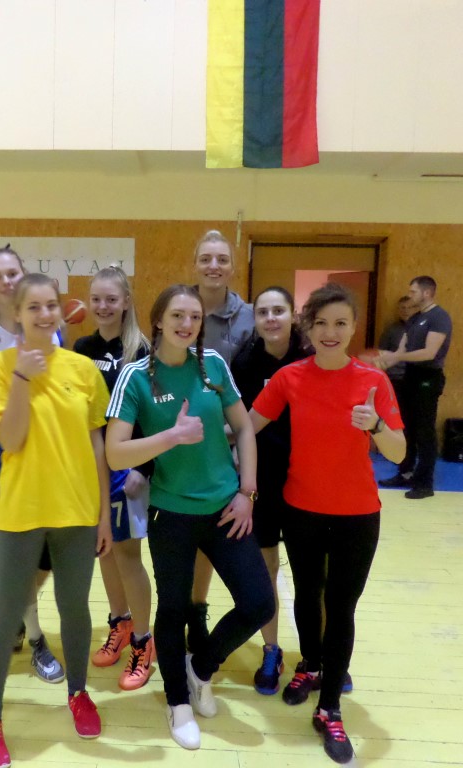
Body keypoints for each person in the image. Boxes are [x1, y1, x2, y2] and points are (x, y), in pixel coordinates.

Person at [106, 284, 274, 751]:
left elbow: (244, 428)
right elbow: (116, 453)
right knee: (174, 608)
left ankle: (200, 669)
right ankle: (177, 702)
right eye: (177, 315)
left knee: (259, 603)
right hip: (171, 513)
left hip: (225, 508)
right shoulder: (136, 376)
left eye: (195, 317)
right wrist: (171, 437)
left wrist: (247, 492)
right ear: (158, 320)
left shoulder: (213, 365)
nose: (187, 324)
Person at [250, 282, 405, 764]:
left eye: (340, 323)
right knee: (307, 593)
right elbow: (247, 425)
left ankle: (330, 707)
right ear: (308, 328)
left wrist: (375, 426)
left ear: (354, 327)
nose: (330, 332)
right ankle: (311, 664)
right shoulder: (290, 377)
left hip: (358, 515)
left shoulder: (373, 382)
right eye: (321, 323)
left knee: (340, 607)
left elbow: (399, 452)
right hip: (301, 509)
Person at [0, 273, 112, 768]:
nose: (44, 314)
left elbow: (97, 445)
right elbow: (10, 440)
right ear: (15, 314)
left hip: (77, 510)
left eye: (51, 305)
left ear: (61, 310)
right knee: (5, 614)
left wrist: (103, 514)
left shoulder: (83, 369)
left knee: (75, 608)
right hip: (20, 511)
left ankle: (78, 692)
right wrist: (21, 379)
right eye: (32, 307)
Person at [0, 245, 64, 684]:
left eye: (13, 273)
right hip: (6, 460)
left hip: (51, 464)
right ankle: (35, 639)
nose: (6, 281)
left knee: (43, 556)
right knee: (15, 559)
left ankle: (16, 617)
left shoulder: (50, 328)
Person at [73, 266, 155, 691]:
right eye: (96, 299)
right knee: (102, 549)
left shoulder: (141, 350)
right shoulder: (82, 348)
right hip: (91, 468)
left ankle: (143, 642)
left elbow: (154, 413)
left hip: (128, 468)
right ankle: (119, 623)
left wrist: (144, 467)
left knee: (126, 555)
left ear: (125, 301)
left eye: (111, 299)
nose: (103, 306)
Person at [230, 286, 311, 695]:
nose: (271, 318)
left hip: (307, 481)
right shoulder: (245, 361)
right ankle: (271, 649)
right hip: (261, 480)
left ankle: (317, 655)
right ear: (255, 319)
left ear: (292, 315)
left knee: (311, 574)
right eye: (263, 312)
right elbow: (240, 423)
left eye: (279, 310)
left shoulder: (312, 357)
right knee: (267, 570)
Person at [188, 229, 255, 655]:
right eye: (206, 258)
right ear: (195, 264)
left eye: (222, 259)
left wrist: (236, 432)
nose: (214, 266)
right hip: (183, 442)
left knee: (223, 532)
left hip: (231, 444)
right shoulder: (181, 307)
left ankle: (207, 607)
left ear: (232, 266)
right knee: (187, 535)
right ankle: (191, 612)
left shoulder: (249, 317)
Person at [378, 276, 452, 499]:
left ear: (427, 293)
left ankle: (425, 483)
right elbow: (402, 349)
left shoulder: (439, 317)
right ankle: (406, 472)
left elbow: (429, 353)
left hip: (428, 377)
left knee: (424, 430)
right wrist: (384, 360)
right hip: (410, 376)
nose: (410, 295)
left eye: (413, 291)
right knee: (407, 427)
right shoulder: (415, 318)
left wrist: (397, 357)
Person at [375, 295, 416, 408]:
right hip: (395, 378)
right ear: (398, 310)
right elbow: (381, 353)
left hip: (415, 378)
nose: (406, 311)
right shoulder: (391, 330)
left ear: (415, 309)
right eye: (402, 308)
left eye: (409, 308)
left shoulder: (422, 329)